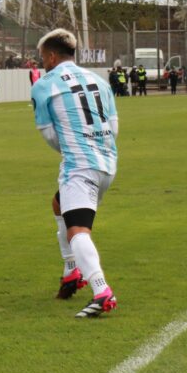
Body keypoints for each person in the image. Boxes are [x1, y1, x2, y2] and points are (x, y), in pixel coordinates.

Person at [31, 29, 119, 318]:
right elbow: (114, 127)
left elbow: (50, 136)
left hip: (79, 166)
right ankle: (71, 270)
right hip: (107, 163)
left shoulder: (44, 85)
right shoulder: (99, 80)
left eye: (43, 58)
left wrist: (73, 147)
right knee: (59, 205)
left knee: (78, 231)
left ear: (52, 56)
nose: (43, 62)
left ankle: (101, 289)